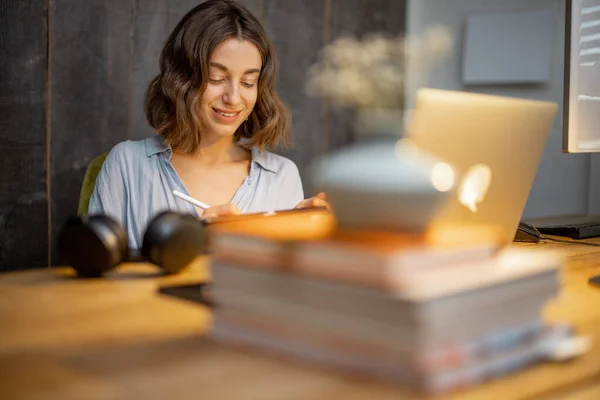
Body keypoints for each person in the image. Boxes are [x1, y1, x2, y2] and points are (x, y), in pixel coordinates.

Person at [88, 0, 327, 249]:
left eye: (248, 82)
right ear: (183, 78)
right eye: (217, 78)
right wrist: (194, 246)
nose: (233, 98)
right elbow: (96, 279)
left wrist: (310, 245)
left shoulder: (280, 177)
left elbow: (285, 286)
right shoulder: (127, 165)